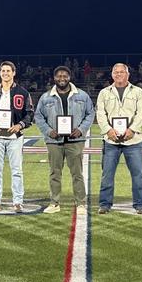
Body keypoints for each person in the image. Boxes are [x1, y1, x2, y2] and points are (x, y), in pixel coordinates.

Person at [34, 66, 95, 216]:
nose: (62, 78)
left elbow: (90, 113)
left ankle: (80, 203)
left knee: (77, 173)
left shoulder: (81, 95)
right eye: (59, 76)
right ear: (54, 78)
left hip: (76, 140)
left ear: (70, 77)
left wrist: (81, 129)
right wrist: (49, 131)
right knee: (55, 173)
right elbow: (38, 116)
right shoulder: (46, 97)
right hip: (54, 141)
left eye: (65, 76)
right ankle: (54, 202)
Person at [0, 61, 35, 212]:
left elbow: (30, 113)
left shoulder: (23, 93)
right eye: (3, 71)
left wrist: (20, 125)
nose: (5, 73)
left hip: (15, 138)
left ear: (14, 73)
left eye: (8, 71)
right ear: (0, 73)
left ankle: (18, 201)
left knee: (16, 170)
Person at [96, 63, 142, 214]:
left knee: (138, 174)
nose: (119, 74)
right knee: (107, 174)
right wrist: (108, 130)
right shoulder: (104, 93)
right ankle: (105, 204)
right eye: (116, 72)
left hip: (133, 141)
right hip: (111, 140)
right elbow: (100, 114)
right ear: (112, 75)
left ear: (128, 74)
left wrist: (132, 129)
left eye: (122, 72)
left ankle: (140, 204)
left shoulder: (138, 92)